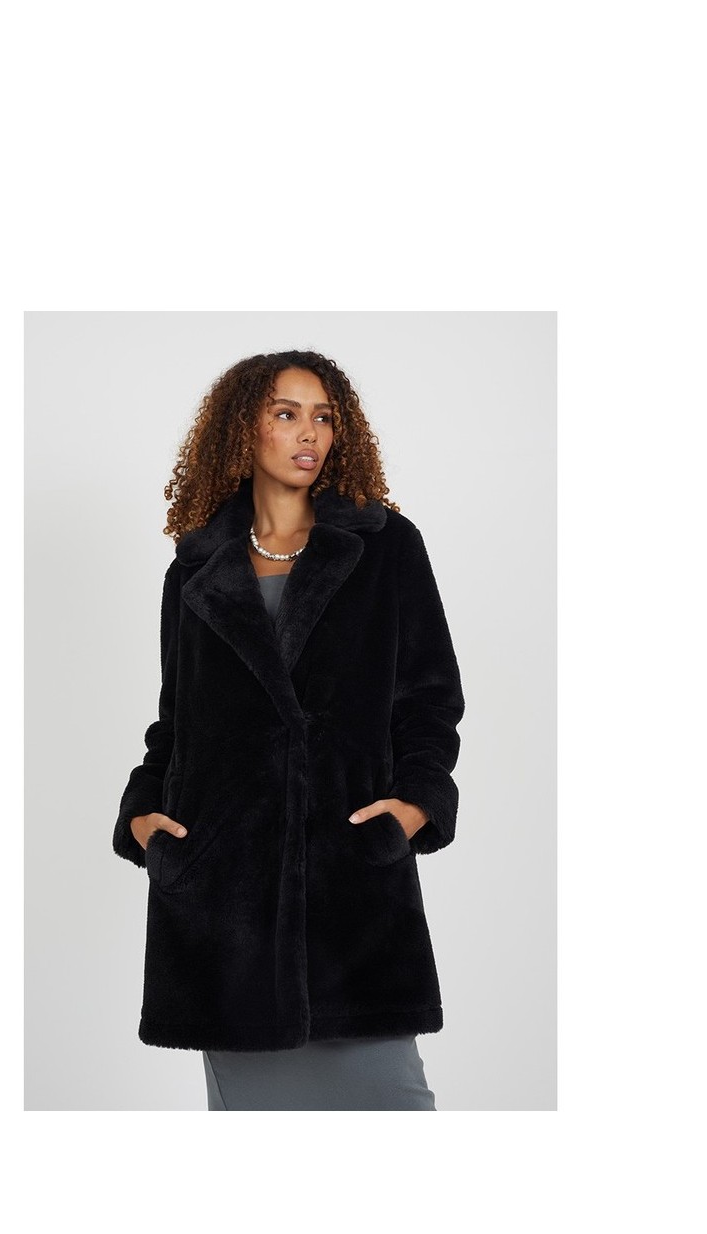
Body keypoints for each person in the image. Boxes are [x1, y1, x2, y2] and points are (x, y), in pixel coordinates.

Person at [113, 350, 465, 1110]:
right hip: (223, 900)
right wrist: (142, 817)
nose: (310, 433)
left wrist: (414, 807)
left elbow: (431, 701)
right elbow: (176, 719)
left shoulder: (384, 547)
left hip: (350, 882)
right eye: (286, 413)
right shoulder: (195, 569)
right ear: (244, 429)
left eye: (324, 417)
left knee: (393, 1104)